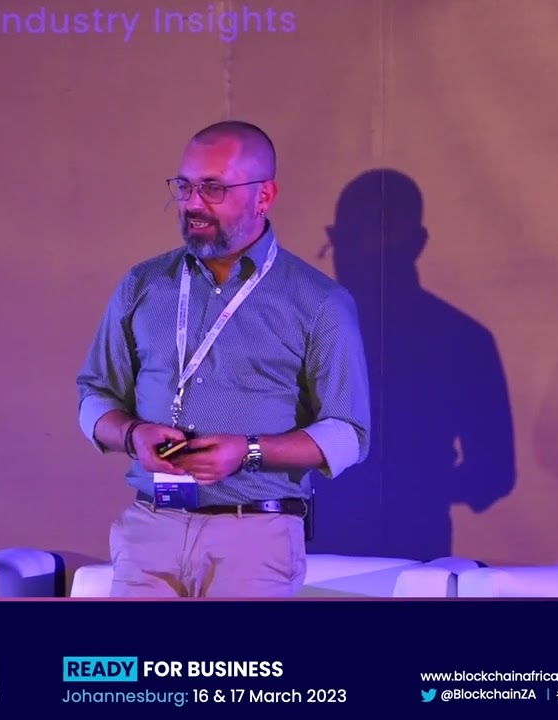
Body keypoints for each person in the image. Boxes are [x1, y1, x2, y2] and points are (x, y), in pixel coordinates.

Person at [75, 120, 372, 597]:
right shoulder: (143, 284)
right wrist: (133, 435)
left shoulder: (319, 302)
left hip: (252, 535)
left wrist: (249, 451)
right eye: (185, 187)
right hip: (150, 528)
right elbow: (94, 396)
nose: (193, 204)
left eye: (213, 188)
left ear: (264, 195)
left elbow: (348, 434)